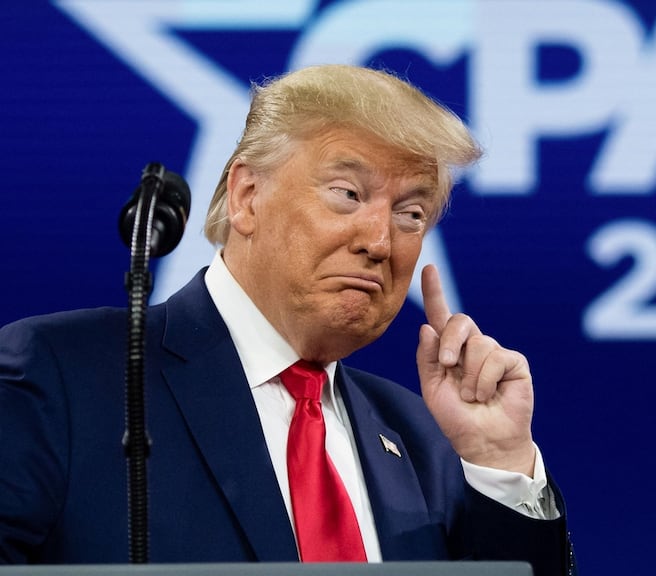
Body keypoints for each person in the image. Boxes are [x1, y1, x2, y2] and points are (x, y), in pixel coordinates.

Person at [0, 64, 574, 575]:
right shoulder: (63, 378)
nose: (379, 241)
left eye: (411, 213)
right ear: (248, 196)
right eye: (348, 193)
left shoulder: (425, 441)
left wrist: (498, 464)